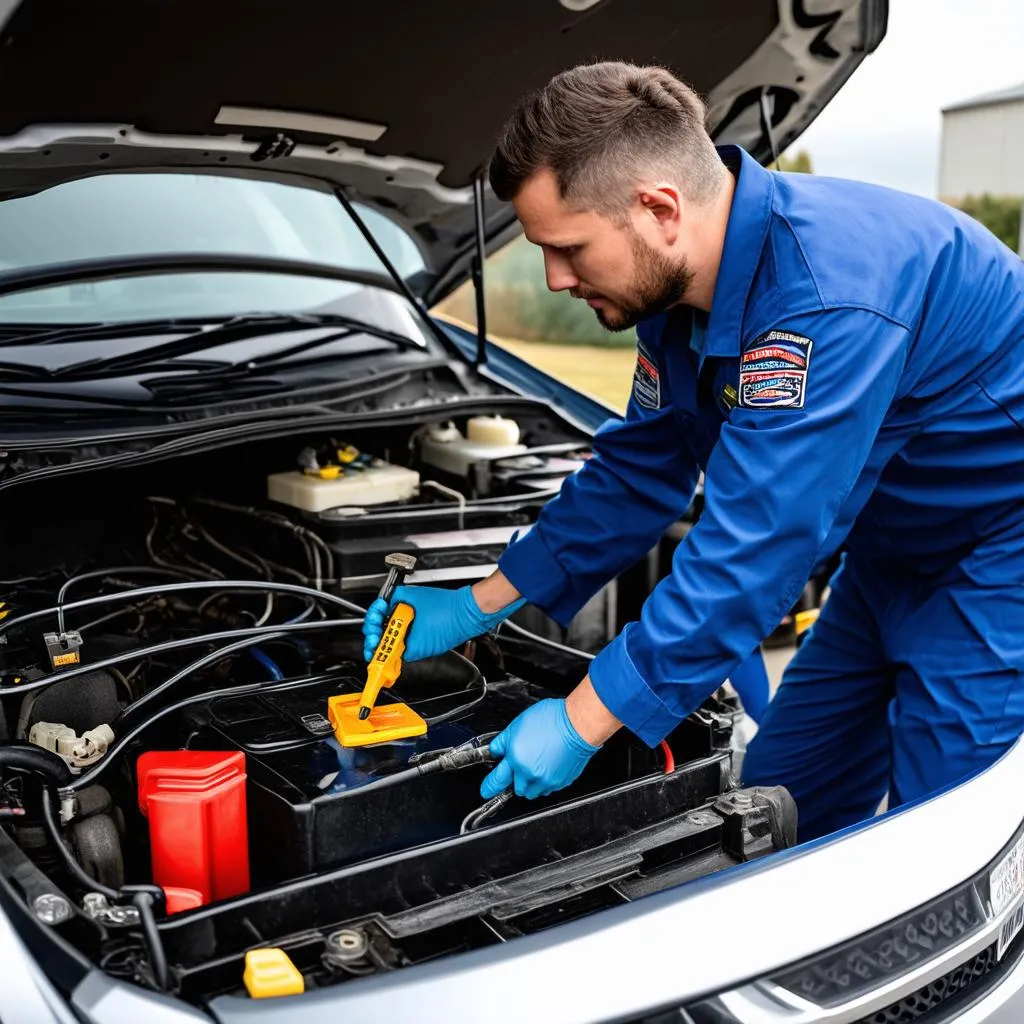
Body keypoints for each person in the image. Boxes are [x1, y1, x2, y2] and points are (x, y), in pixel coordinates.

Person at [363, 61, 1024, 843]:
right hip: (885, 560)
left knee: (939, 850)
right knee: (778, 814)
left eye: (569, 247)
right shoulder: (675, 299)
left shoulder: (825, 295)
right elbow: (638, 470)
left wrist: (581, 720)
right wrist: (476, 605)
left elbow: (756, 549)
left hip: (996, 568)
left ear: (659, 208)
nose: (553, 277)